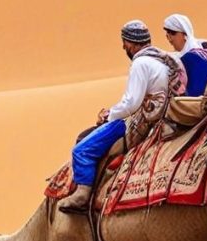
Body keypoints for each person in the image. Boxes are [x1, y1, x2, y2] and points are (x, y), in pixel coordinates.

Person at [59, 20, 185, 214]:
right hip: (163, 114)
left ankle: (82, 193)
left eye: (125, 42)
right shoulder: (162, 59)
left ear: (133, 43)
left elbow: (131, 103)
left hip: (139, 121)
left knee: (81, 150)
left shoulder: (140, 64)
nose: (123, 47)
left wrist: (109, 114)